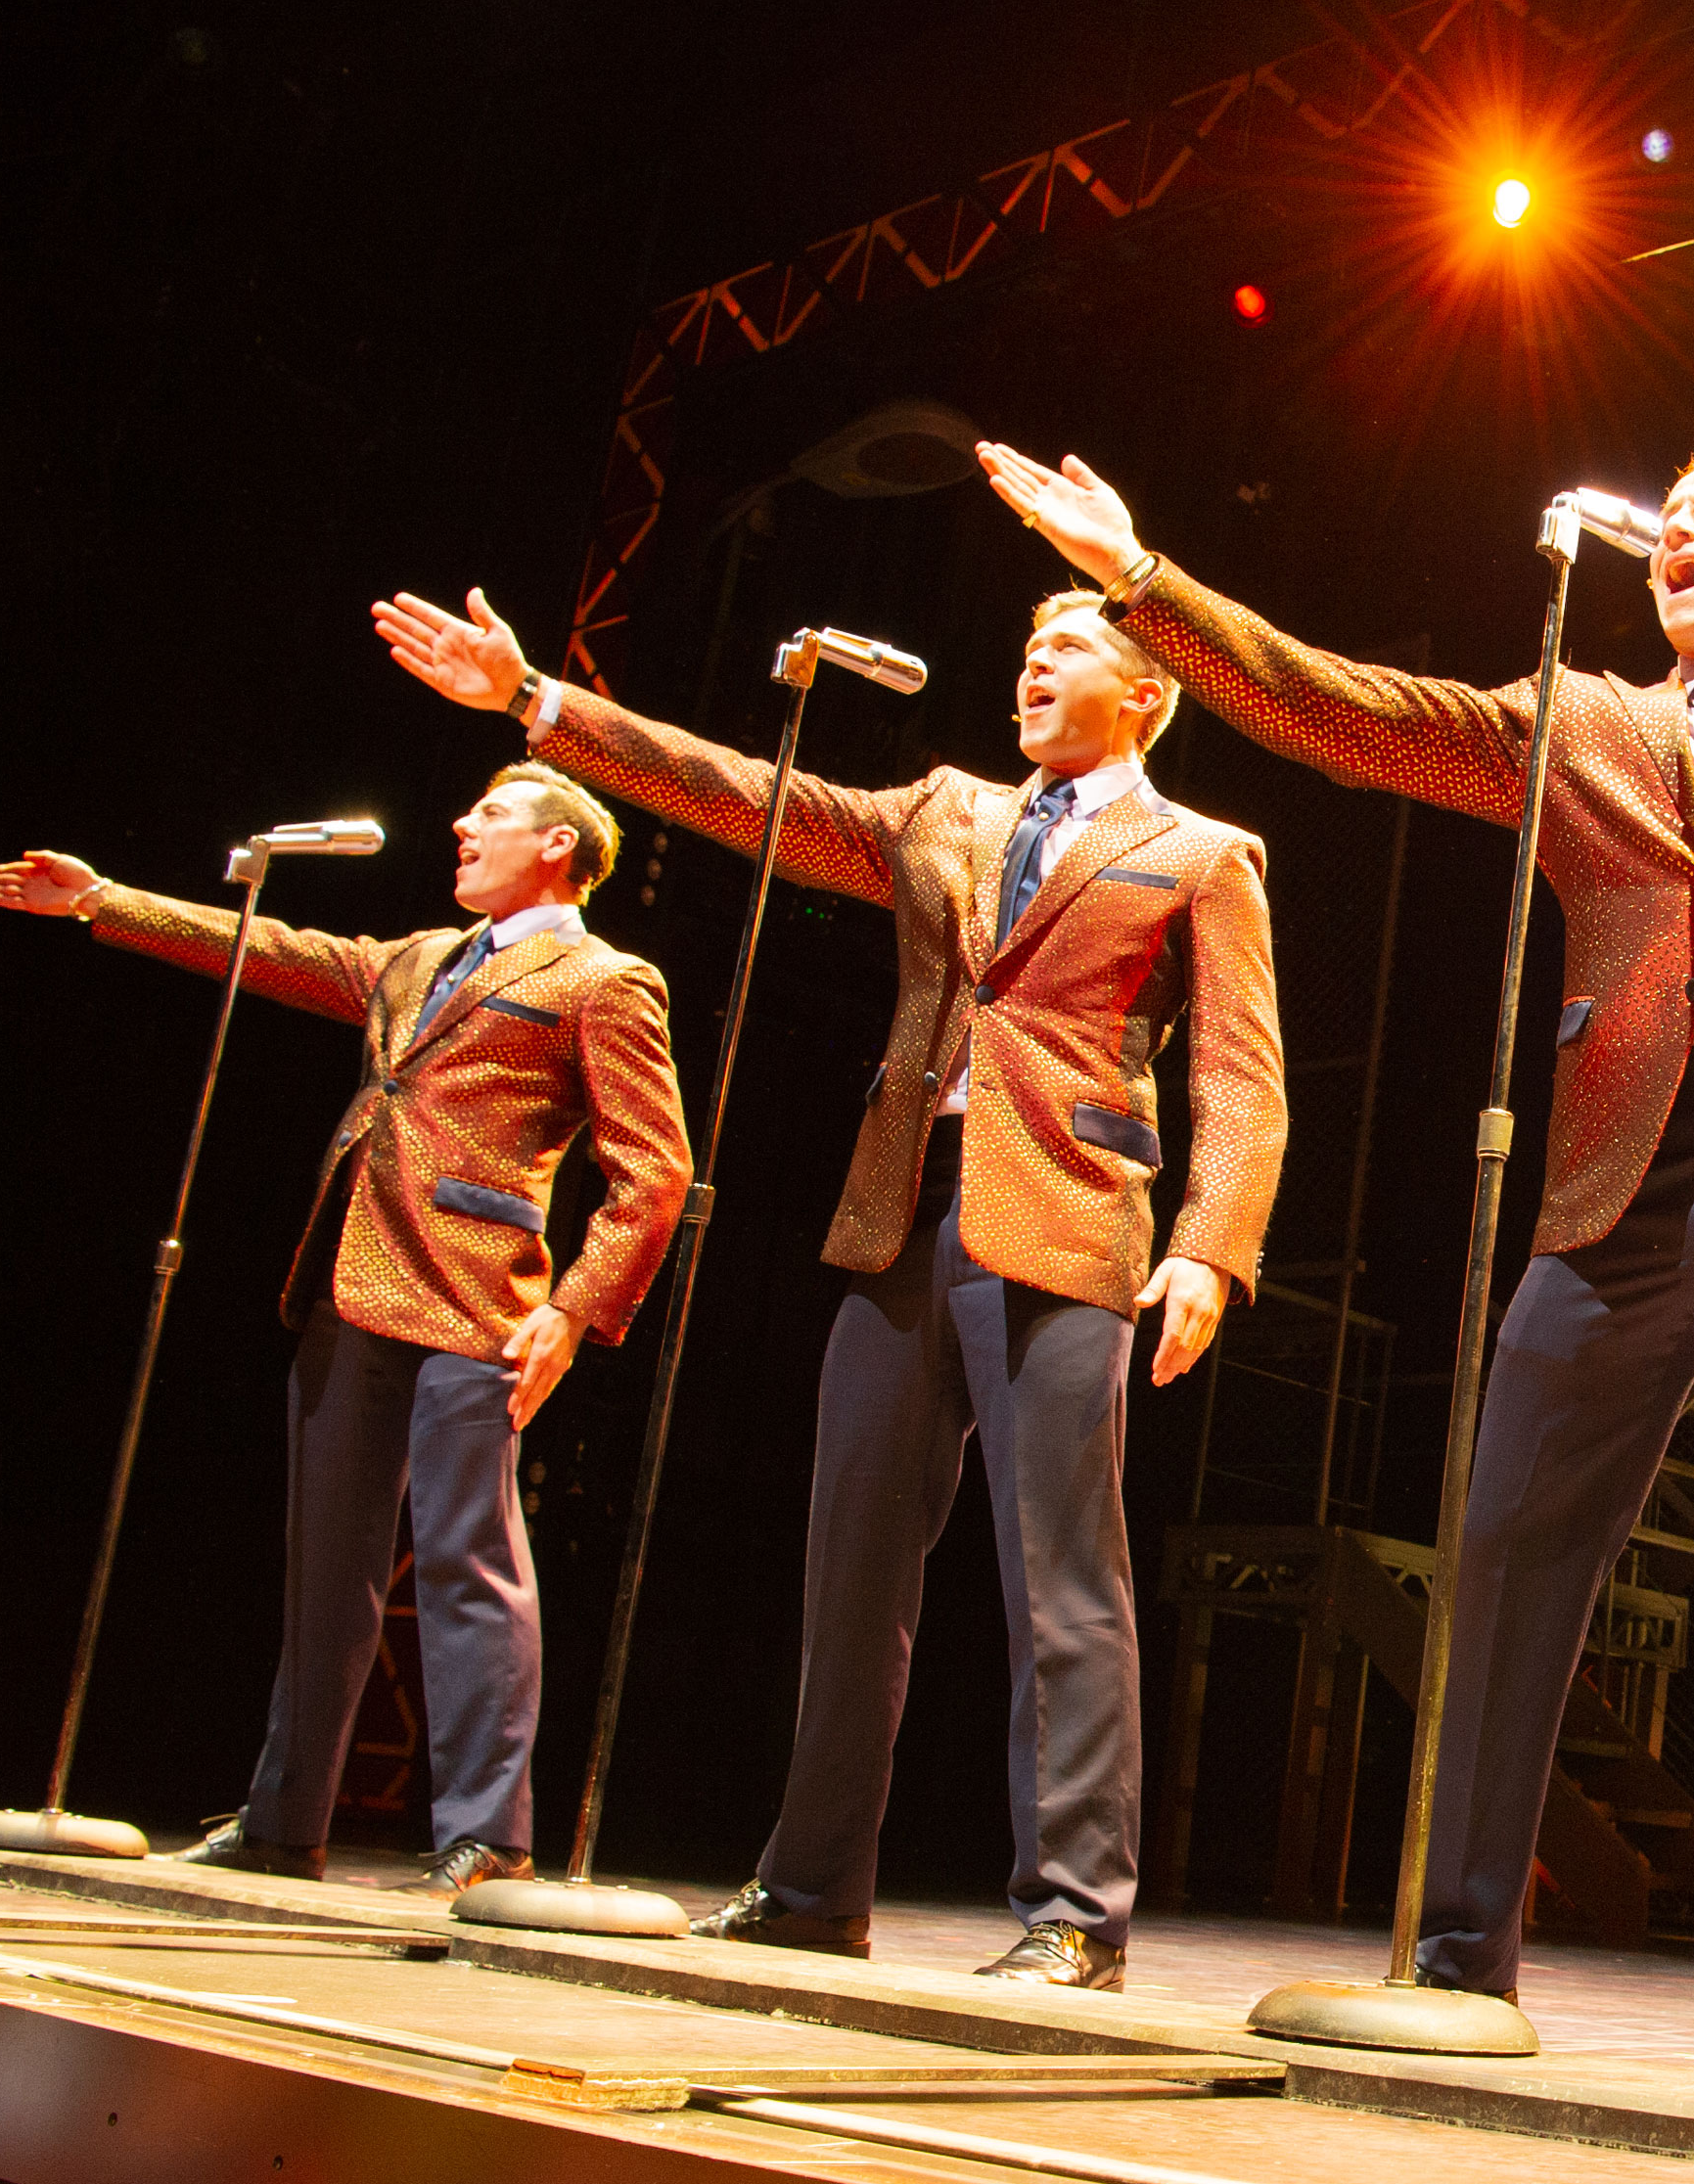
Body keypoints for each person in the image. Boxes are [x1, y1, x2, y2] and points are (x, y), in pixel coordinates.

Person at [981, 433, 1694, 2105]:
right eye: (1671, 512)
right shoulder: (1584, 722)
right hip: (1622, 1179)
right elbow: (1349, 712)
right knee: (1508, 1545)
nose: (1677, 528)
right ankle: (1457, 1961)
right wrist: (1143, 583)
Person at [371, 582, 1286, 1991]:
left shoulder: (1203, 853)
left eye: (1065, 650)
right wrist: (537, 701)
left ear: (1146, 692)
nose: (1031, 666)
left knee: (1063, 1576)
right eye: (1026, 647)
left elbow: (1240, 1070)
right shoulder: (947, 810)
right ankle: (811, 1886)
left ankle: (1074, 1912)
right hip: (901, 1208)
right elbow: (748, 794)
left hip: (1068, 1211)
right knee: (851, 1561)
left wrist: (1210, 1241)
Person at [0, 768, 689, 1898]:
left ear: (558, 845)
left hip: (479, 1300)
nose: (463, 825)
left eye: (492, 814)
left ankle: (488, 1836)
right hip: (351, 1281)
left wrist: (573, 1310)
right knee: (326, 1570)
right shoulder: (419, 958)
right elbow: (273, 949)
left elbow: (655, 1169)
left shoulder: (604, 979)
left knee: (468, 1562)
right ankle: (282, 1819)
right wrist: (103, 900)